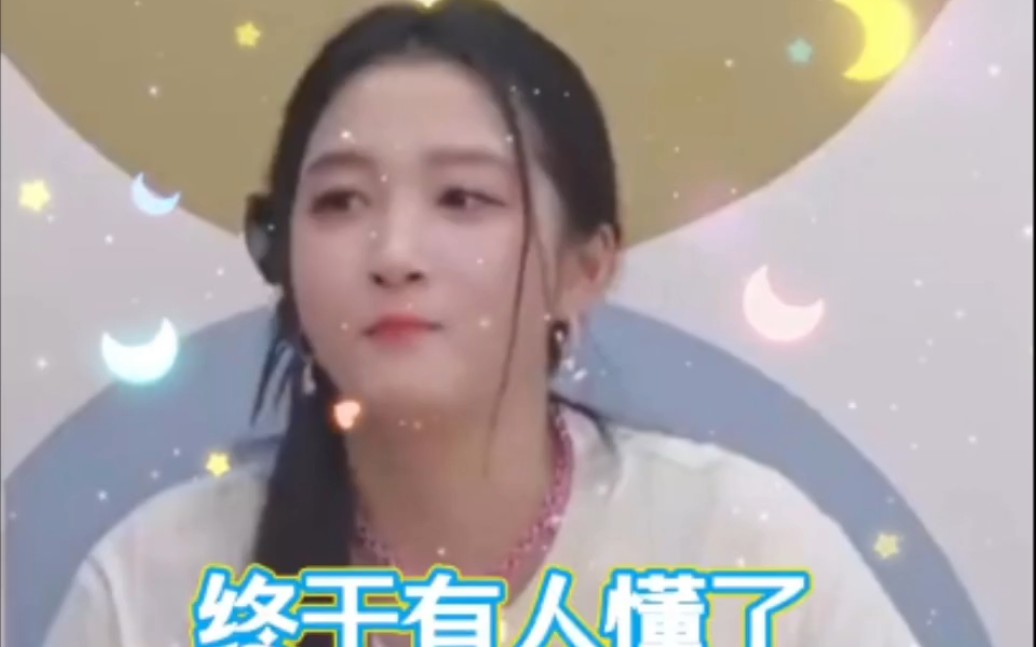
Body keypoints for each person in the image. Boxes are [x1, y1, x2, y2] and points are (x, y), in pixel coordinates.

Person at [44, 1, 920, 645]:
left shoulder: (741, 553)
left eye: (463, 198)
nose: (394, 253)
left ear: (585, 267)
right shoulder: (151, 584)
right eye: (341, 201)